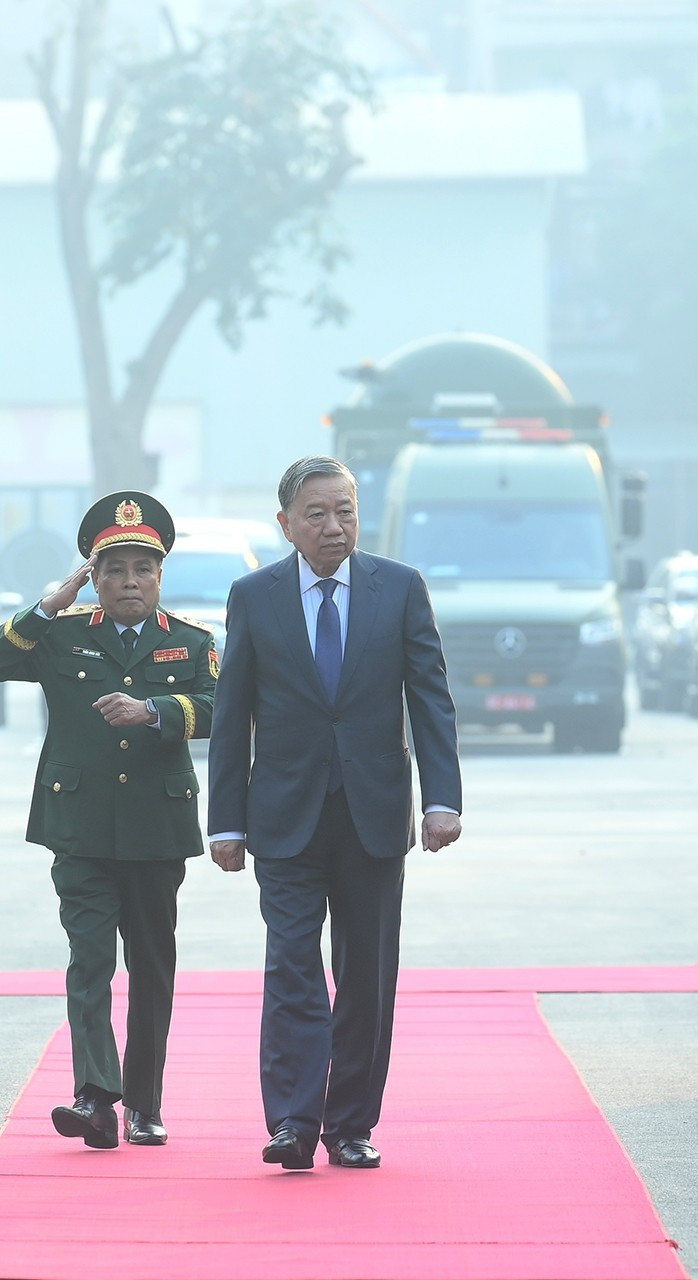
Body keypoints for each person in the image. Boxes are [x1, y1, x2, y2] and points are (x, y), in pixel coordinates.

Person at [206, 455, 462, 1172]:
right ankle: (293, 1120)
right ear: (285, 523)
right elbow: (233, 715)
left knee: (367, 975)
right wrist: (226, 821)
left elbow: (430, 699)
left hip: (374, 815)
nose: (333, 525)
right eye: (316, 513)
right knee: (292, 967)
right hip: (284, 817)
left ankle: (350, 1123)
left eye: (345, 510)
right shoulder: (254, 596)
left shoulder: (400, 589)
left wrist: (441, 800)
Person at [0, 491, 216, 1149]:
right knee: (88, 963)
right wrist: (54, 599)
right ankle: (93, 1097)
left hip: (156, 830)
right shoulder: (64, 634)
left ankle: (143, 1103)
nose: (129, 582)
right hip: (79, 828)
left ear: (160, 576)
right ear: (95, 576)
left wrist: (156, 712)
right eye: (114, 570)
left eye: (143, 569)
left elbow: (222, 708)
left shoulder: (191, 642)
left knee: (151, 969)